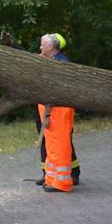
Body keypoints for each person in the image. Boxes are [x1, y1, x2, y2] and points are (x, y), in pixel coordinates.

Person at [36, 32, 80, 191]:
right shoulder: (51, 60)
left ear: (52, 47)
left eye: (43, 44)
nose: (40, 47)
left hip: (57, 112)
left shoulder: (59, 64)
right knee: (52, 146)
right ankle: (52, 179)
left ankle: (61, 183)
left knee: (59, 145)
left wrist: (47, 114)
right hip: (53, 111)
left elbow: (53, 92)